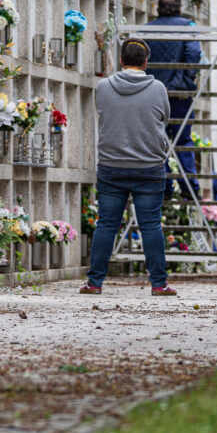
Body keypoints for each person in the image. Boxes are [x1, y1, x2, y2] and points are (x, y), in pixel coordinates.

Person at [82, 38, 177, 296]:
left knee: (107, 225)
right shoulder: (158, 89)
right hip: (149, 167)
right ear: (146, 62)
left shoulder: (103, 87)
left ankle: (94, 282)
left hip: (112, 166)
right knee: (151, 225)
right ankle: (159, 284)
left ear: (121, 60)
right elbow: (164, 118)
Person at [143, 0, 202, 200]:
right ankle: (188, 187)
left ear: (158, 7)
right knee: (183, 140)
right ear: (178, 7)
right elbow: (194, 54)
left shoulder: (146, 30)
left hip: (152, 94)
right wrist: (187, 77)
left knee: (156, 140)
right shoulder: (187, 26)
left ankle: (164, 185)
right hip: (179, 94)